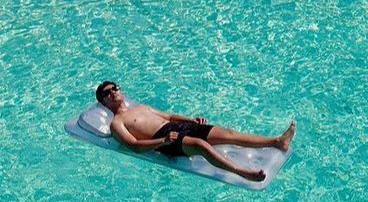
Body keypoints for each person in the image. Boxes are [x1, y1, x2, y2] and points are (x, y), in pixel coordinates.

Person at [95, 81, 295, 184]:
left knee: (229, 133)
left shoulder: (141, 107)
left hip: (179, 127)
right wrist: (163, 141)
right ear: (103, 102)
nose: (113, 93)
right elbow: (134, 146)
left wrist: (190, 120)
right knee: (200, 146)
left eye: (115, 88)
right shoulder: (117, 123)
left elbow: (171, 116)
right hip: (164, 138)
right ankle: (243, 173)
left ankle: (277, 142)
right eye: (107, 93)